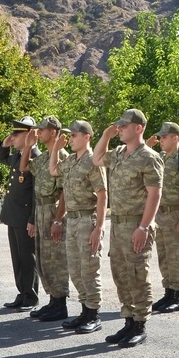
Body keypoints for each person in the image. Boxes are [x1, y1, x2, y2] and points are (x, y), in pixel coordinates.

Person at [92, 108, 163, 347]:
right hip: (118, 225)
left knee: (137, 275)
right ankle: (129, 320)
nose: (120, 129)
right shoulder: (120, 153)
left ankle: (140, 323)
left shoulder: (149, 157)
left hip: (136, 224)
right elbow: (96, 158)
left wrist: (144, 227)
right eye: (119, 126)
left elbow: (155, 195)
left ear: (138, 128)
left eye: (124, 126)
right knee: (121, 274)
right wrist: (106, 135)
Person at [52, 121, 108, 333]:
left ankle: (93, 313)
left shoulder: (93, 162)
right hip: (72, 220)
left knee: (89, 269)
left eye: (74, 135)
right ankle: (85, 310)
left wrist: (99, 227)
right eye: (71, 135)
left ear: (87, 137)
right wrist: (56, 150)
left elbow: (103, 195)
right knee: (75, 269)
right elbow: (53, 169)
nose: (71, 138)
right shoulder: (71, 161)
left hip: (87, 219)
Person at [20, 117, 71, 322]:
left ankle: (60, 305)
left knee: (56, 258)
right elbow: (24, 167)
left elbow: (65, 192)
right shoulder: (43, 158)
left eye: (42, 130)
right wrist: (28, 146)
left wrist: (58, 219)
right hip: (41, 208)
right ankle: (52, 301)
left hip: (53, 209)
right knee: (43, 258)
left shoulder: (62, 157)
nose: (38, 133)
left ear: (53, 132)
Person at [147, 122, 179, 314]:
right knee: (164, 256)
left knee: (176, 257)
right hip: (161, 214)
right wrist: (147, 147)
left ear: (175, 138)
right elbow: (143, 162)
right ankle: (168, 292)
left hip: (174, 214)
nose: (161, 140)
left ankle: (177, 296)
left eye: (164, 137)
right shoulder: (162, 158)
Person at [0, 117, 39, 311]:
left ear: (30, 135)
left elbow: (35, 193)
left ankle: (31, 295)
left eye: (17, 134)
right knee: (17, 257)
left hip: (25, 215)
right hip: (13, 213)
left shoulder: (35, 157)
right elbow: (3, 158)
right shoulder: (18, 155)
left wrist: (32, 218)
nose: (13, 137)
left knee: (27, 257)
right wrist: (5, 144)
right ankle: (22, 292)